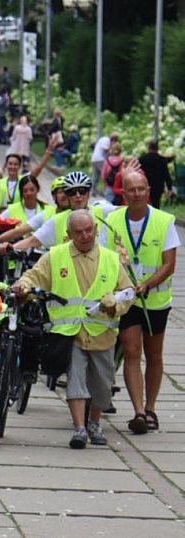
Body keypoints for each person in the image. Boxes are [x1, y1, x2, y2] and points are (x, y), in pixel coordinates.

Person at [13, 210, 133, 448]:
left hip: (102, 334)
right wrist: (22, 285)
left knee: (102, 384)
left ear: (96, 230)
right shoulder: (55, 256)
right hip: (71, 334)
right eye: (78, 232)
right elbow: (33, 276)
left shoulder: (111, 259)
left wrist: (116, 305)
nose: (85, 235)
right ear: (68, 235)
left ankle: (94, 423)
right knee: (75, 378)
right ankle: (79, 428)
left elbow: (128, 291)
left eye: (89, 230)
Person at [103, 171, 178, 434]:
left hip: (155, 301)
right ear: (123, 192)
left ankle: (151, 407)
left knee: (154, 355)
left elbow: (169, 264)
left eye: (140, 189)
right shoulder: (112, 220)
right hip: (127, 302)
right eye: (130, 189)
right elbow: (105, 257)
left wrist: (147, 284)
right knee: (131, 351)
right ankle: (138, 412)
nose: (136, 194)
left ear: (148, 191)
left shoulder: (163, 221)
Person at [8, 171, 117, 251]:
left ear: (88, 194)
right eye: (72, 192)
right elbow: (32, 241)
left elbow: (128, 210)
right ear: (67, 196)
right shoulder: (56, 221)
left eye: (82, 191)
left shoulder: (103, 211)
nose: (78, 196)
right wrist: (10, 248)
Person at [0, 176, 70, 247]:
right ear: (54, 196)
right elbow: (20, 231)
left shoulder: (79, 216)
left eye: (68, 192)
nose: (64, 195)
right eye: (61, 192)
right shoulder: (47, 213)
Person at [138, 140, 174, 209]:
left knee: (144, 205)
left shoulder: (142, 159)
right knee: (156, 205)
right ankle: (155, 218)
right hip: (158, 186)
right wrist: (169, 188)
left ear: (148, 148)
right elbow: (166, 174)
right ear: (157, 149)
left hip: (144, 185)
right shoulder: (162, 160)